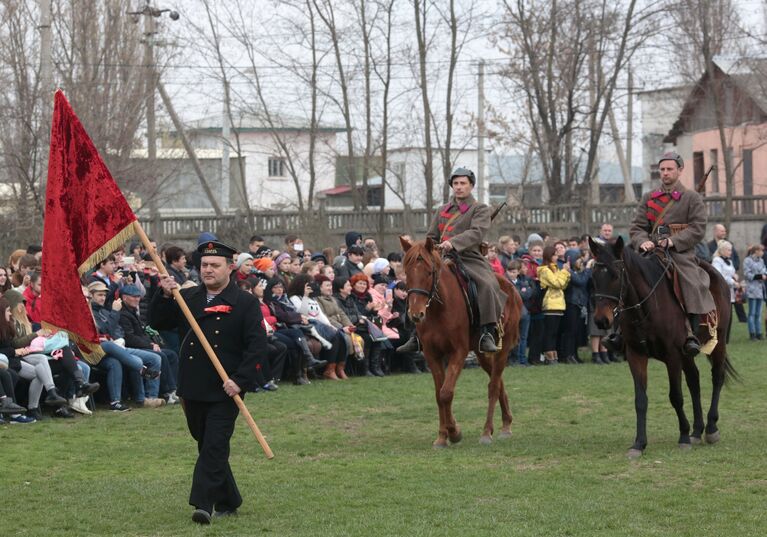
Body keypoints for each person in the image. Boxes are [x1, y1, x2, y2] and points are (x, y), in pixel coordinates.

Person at [151, 240, 268, 525]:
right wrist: (164, 295)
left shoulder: (246, 303)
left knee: (215, 445)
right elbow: (158, 322)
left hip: (225, 389)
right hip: (192, 386)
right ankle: (230, 499)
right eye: (204, 265)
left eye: (215, 265)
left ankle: (203, 503)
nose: (208, 270)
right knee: (207, 445)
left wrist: (240, 381)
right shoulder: (187, 297)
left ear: (230, 268)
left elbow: (257, 347)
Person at [399, 167, 507, 353]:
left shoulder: (479, 209)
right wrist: (426, 248)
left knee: (488, 285)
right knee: (419, 284)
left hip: (469, 258)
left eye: (463, 183)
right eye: (455, 183)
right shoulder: (442, 210)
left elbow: (476, 232)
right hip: (441, 258)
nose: (458, 187)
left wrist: (453, 243)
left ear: (471, 185)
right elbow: (431, 236)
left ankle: (486, 332)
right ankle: (416, 335)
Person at [629, 152, 716, 357]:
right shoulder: (648, 198)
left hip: (680, 254)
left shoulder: (691, 198)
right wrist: (643, 241)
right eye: (662, 170)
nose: (665, 173)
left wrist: (672, 241)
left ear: (680, 170)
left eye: (669, 169)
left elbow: (697, 229)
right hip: (650, 252)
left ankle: (690, 334)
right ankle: (621, 331)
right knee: (627, 279)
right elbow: (637, 227)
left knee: (691, 281)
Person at [743, 244, 766, 340]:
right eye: (761, 251)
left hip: (760, 290)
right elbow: (747, 274)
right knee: (752, 313)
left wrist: (764, 274)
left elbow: (764, 269)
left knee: (758, 313)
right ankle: (752, 333)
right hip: (752, 290)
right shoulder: (747, 260)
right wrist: (759, 276)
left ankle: (759, 333)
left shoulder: (761, 260)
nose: (763, 252)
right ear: (756, 251)